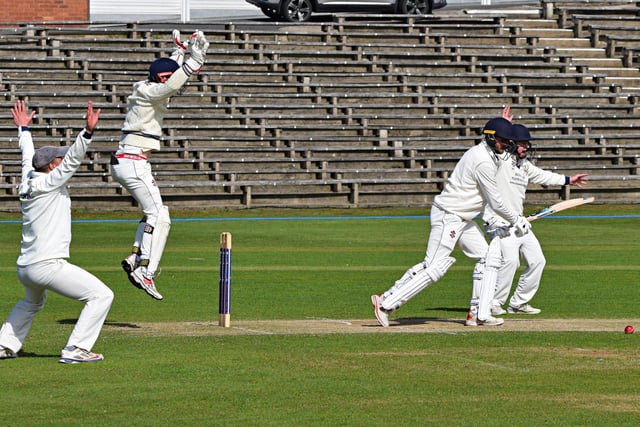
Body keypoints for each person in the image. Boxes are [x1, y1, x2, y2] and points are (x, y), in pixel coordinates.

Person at [371, 117, 532, 327]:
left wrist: (505, 124)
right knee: (436, 266)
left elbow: (504, 164)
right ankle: (386, 304)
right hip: (449, 214)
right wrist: (516, 219)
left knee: (487, 258)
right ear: (491, 138)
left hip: (463, 217)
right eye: (503, 140)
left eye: (508, 141)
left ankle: (477, 313)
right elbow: (496, 200)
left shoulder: (489, 154)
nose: (508, 145)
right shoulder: (482, 160)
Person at [0, 100, 114, 364]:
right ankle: (76, 348)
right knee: (101, 295)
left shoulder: (28, 178)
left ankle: (5, 343)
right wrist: (86, 133)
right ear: (52, 165)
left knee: (31, 303)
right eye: (59, 159)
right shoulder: (50, 182)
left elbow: (25, 155)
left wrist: (23, 129)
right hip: (47, 264)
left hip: (26, 267)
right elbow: (72, 161)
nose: (63, 160)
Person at [111, 30, 209, 300]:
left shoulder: (153, 85)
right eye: (163, 76)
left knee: (152, 213)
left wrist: (180, 50)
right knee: (161, 216)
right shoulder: (148, 90)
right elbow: (169, 84)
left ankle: (135, 257)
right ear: (156, 77)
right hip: (132, 162)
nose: (167, 80)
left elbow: (169, 75)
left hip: (132, 161)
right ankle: (147, 270)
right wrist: (194, 61)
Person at [483, 108, 589, 316]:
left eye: (527, 144)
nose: (526, 147)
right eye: (523, 143)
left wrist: (569, 180)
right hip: (498, 222)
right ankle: (494, 301)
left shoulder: (524, 165)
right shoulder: (499, 161)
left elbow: (543, 176)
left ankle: (519, 303)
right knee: (510, 261)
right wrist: (503, 124)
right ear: (511, 142)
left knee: (537, 260)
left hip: (519, 222)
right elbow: (490, 149)